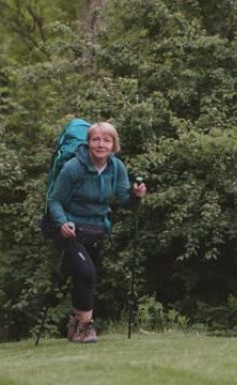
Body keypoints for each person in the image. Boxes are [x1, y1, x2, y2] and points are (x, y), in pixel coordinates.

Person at [48, 121, 146, 343]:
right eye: (95, 139)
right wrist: (62, 222)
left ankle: (74, 326)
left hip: (97, 230)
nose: (100, 145)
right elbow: (55, 200)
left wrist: (135, 196)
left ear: (114, 144)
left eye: (106, 140)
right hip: (71, 229)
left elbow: (123, 200)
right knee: (86, 273)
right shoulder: (73, 167)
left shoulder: (116, 167)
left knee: (84, 279)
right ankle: (85, 327)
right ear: (88, 142)